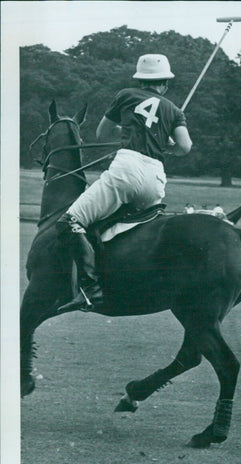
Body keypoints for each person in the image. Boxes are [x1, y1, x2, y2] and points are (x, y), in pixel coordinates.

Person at [56, 54, 192, 313]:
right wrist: (166, 144)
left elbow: (101, 133)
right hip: (155, 178)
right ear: (165, 84)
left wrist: (126, 130)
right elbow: (185, 147)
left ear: (140, 80)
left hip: (126, 169)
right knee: (128, 228)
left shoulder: (126, 95)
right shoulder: (174, 110)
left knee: (70, 222)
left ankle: (90, 290)